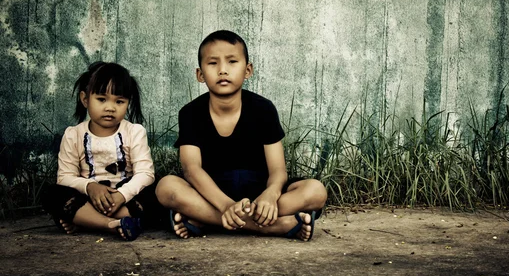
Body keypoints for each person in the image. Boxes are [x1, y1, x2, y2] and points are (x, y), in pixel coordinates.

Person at [156, 30, 327, 240]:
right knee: (166, 187)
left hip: (258, 195)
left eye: (231, 62)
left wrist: (270, 196)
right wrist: (226, 205)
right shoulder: (191, 113)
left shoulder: (263, 109)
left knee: (316, 191)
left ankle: (206, 220)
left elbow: (278, 170)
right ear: (200, 74)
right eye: (213, 63)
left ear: (247, 70)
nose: (222, 70)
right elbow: (192, 170)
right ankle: (276, 226)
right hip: (212, 195)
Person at [42, 62, 155, 241]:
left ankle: (86, 221)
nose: (110, 107)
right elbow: (64, 178)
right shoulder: (74, 135)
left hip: (125, 201)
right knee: (52, 194)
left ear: (128, 102)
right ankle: (111, 225)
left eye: (119, 101)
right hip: (89, 200)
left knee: (158, 190)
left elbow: (146, 174)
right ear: (85, 99)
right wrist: (90, 187)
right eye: (101, 99)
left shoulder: (134, 131)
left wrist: (122, 195)